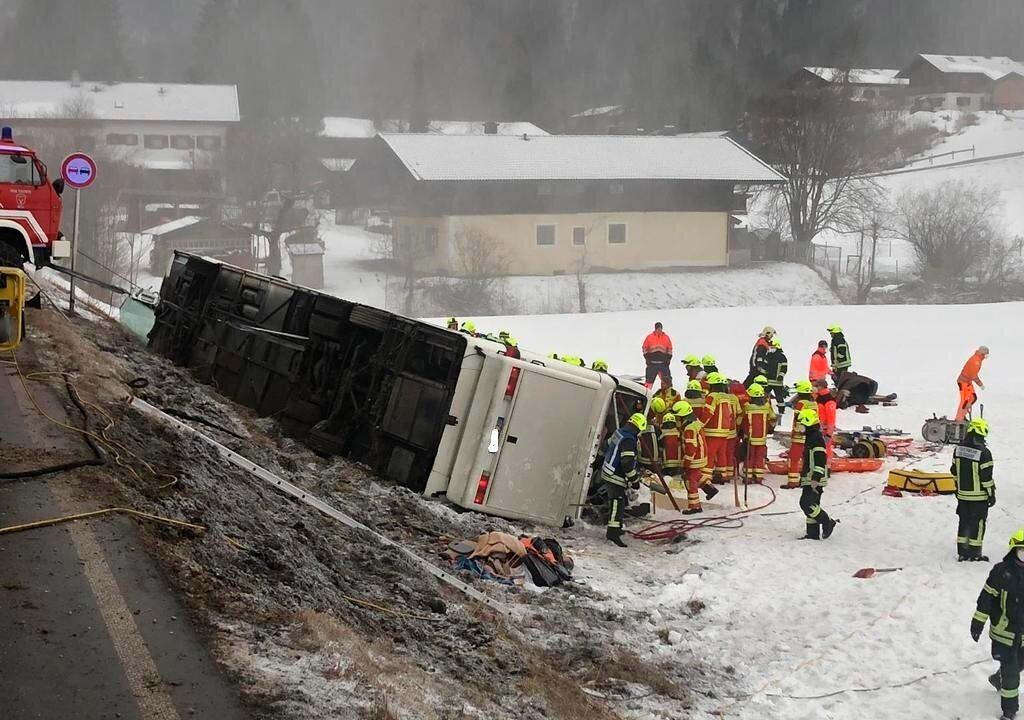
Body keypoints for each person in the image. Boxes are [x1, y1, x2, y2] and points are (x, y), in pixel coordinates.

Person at [971, 529, 1024, 719]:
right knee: (1012, 672)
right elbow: (986, 598)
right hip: (1005, 633)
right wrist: (978, 622)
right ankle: (1009, 711)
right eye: (1022, 552)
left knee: (1020, 663)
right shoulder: (1001, 573)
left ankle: (997, 678)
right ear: (1013, 551)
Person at [953, 418, 996, 562]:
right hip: (978, 498)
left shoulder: (958, 449)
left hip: (962, 496)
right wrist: (991, 494)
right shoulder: (984, 453)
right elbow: (986, 478)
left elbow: (954, 472)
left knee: (964, 522)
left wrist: (957, 489)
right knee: (977, 523)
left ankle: (963, 552)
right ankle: (975, 553)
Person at [601, 413, 646, 548]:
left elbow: (605, 446)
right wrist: (634, 480)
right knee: (617, 503)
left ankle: (617, 527)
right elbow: (627, 463)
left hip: (608, 470)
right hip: (615, 475)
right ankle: (612, 533)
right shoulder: (629, 440)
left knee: (620, 502)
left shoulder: (619, 432)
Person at [796, 407, 837, 540]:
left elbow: (820, 459)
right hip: (810, 476)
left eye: (801, 423)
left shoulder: (815, 438)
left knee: (806, 503)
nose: (799, 427)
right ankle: (812, 534)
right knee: (813, 504)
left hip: (814, 478)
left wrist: (815, 478)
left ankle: (827, 522)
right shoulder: (811, 436)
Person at [676, 401, 718, 514]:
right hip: (701, 456)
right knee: (697, 475)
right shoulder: (696, 423)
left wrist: (686, 464)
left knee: (690, 481)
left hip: (694, 459)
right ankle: (710, 489)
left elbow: (691, 448)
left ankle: (695, 507)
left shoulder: (688, 429)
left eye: (678, 417)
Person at [703, 372, 741, 484]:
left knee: (709, 454)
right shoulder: (726, 397)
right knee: (722, 454)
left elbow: (708, 413)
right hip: (725, 432)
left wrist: (699, 424)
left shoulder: (712, 396)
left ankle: (706, 478)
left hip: (712, 431)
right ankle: (722, 475)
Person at [739, 383, 776, 484]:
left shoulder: (747, 407)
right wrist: (769, 428)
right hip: (762, 437)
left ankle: (748, 477)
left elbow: (740, 420)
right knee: (759, 457)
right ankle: (758, 477)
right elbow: (773, 418)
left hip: (750, 437)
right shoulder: (767, 406)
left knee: (750, 457)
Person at [785, 380, 816, 489]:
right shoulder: (813, 404)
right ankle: (805, 480)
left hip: (799, 437)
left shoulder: (801, 404)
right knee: (807, 459)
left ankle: (792, 482)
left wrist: (794, 433)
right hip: (810, 436)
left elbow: (797, 419)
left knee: (793, 459)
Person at [957, 345, 990, 421]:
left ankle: (963, 415)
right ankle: (959, 419)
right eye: (986, 355)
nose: (986, 357)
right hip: (963, 382)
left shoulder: (978, 359)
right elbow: (973, 375)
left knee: (973, 398)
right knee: (965, 401)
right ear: (982, 354)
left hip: (968, 382)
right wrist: (980, 384)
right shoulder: (975, 361)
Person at [642, 322, 673, 389]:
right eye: (657, 328)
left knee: (667, 381)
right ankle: (646, 394)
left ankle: (669, 396)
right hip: (652, 364)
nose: (659, 330)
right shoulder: (649, 337)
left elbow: (669, 348)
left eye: (660, 328)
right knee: (648, 382)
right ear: (655, 329)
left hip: (663, 364)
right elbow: (644, 347)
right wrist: (647, 358)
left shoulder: (666, 337)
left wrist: (669, 359)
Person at [814, 380, 838, 464]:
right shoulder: (818, 398)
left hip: (825, 430)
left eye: (816, 386)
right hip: (818, 429)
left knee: (826, 449)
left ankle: (827, 467)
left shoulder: (829, 400)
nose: (815, 388)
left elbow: (831, 419)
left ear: (821, 387)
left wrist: (829, 434)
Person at [764, 337, 788, 415]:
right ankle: (764, 408)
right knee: (764, 396)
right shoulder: (768, 356)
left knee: (779, 397)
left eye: (773, 347)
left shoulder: (782, 357)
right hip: (768, 381)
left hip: (777, 382)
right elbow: (765, 366)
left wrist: (781, 376)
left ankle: (781, 411)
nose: (771, 348)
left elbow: (784, 368)